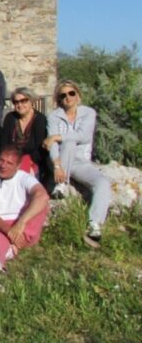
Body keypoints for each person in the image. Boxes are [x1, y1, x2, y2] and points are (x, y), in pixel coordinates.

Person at [44, 80, 111, 247]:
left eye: (71, 93)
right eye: (63, 95)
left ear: (78, 96)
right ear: (59, 99)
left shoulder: (88, 113)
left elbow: (84, 136)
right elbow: (51, 145)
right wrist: (57, 165)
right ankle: (61, 184)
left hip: (80, 162)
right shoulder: (53, 116)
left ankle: (94, 223)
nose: (68, 97)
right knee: (69, 143)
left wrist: (58, 137)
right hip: (59, 160)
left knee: (102, 183)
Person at [0, 146, 49, 275]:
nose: (3, 165)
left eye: (9, 163)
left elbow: (42, 196)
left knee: (41, 205)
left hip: (24, 227)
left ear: (18, 166)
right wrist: (10, 231)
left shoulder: (24, 177)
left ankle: (11, 248)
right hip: (0, 225)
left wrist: (20, 223)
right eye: (1, 160)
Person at [1, 87, 49, 186]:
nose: (20, 104)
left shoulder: (40, 119)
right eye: (16, 102)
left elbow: (40, 149)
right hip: (12, 159)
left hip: (33, 160)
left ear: (31, 101)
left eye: (24, 101)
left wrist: (25, 161)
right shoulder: (10, 118)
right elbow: (4, 144)